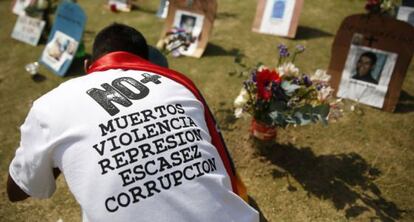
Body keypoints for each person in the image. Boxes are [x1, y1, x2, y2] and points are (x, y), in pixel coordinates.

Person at [7, 23, 259, 222]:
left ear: (87, 66)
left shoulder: (51, 105)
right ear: (147, 62)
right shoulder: (178, 87)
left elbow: (17, 191)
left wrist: (58, 154)